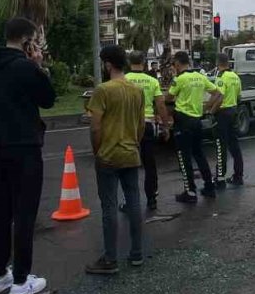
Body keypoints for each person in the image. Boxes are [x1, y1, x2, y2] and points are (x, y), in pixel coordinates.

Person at [0, 17, 56, 294]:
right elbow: (48, 98)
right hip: (24, 148)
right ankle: (21, 280)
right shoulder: (24, 67)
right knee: (24, 213)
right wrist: (39, 65)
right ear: (27, 41)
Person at [85, 45, 147, 275]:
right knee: (133, 203)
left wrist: (97, 150)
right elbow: (141, 126)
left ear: (108, 64)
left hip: (108, 156)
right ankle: (137, 253)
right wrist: (134, 143)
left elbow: (95, 127)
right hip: (131, 154)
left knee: (109, 206)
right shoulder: (136, 91)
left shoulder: (103, 90)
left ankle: (110, 259)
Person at [166, 50, 223, 203]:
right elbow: (218, 93)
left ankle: (190, 191)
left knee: (184, 157)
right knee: (199, 154)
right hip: (197, 120)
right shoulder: (200, 77)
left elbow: (169, 97)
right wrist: (207, 108)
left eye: (173, 64)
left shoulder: (179, 79)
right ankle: (209, 187)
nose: (173, 66)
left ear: (178, 63)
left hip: (183, 120)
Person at [126, 51, 169, 210]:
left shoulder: (123, 80)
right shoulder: (152, 81)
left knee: (128, 164)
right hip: (147, 124)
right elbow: (161, 105)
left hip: (128, 126)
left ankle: (130, 201)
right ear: (144, 63)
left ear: (129, 62)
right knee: (149, 163)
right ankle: (151, 198)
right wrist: (165, 126)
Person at [213, 53, 245, 187]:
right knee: (234, 145)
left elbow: (219, 97)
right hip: (233, 111)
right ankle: (238, 176)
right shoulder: (235, 76)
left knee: (221, 146)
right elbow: (239, 97)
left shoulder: (221, 77)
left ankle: (220, 178)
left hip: (223, 113)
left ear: (217, 62)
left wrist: (211, 111)